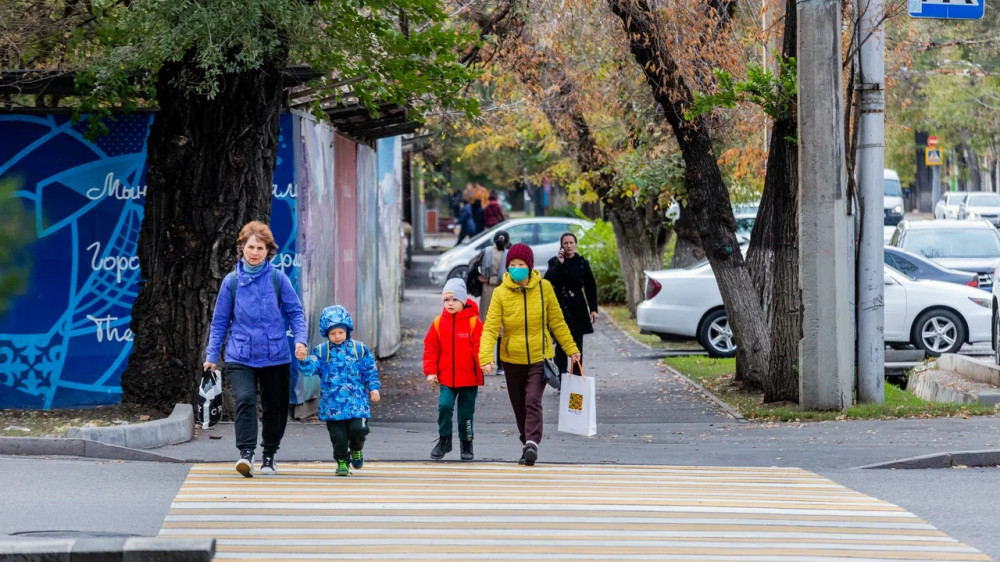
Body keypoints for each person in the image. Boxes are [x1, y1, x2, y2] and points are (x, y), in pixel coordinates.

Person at [204, 220, 308, 478]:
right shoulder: (231, 282)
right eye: (251, 247)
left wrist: (300, 340)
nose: (255, 252)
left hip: (275, 355)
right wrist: (211, 357)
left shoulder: (277, 278)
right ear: (242, 247)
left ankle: (270, 454)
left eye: (260, 248)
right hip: (240, 354)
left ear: (268, 251)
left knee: (275, 406)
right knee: (246, 399)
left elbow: (295, 313)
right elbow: (219, 322)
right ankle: (246, 454)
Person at [479, 243, 580, 466]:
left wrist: (571, 349)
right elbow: (491, 327)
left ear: (530, 266)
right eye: (512, 265)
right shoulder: (500, 293)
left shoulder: (545, 289)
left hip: (539, 357)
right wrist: (485, 357)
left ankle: (532, 443)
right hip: (511, 359)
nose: (517, 268)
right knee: (519, 405)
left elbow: (557, 322)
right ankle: (527, 443)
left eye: (521, 265)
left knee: (533, 400)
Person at [298, 305, 381, 477]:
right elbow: (310, 369)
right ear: (326, 334)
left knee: (358, 430)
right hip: (332, 405)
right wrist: (303, 359)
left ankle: (357, 448)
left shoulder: (359, 349)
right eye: (333, 333)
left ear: (347, 331)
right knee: (338, 437)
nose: (337, 337)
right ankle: (342, 461)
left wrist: (373, 389)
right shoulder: (322, 351)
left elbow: (370, 370)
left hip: (356, 404)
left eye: (340, 333)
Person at [423, 279, 484, 461]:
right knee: (444, 406)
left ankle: (467, 443)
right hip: (447, 378)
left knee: (466, 414)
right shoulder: (438, 322)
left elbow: (482, 347)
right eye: (446, 300)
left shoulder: (474, 322)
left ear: (463, 301)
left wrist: (486, 363)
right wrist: (431, 371)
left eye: (454, 300)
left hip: (469, 379)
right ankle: (444, 440)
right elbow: (431, 348)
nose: (450, 304)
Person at [544, 232, 599, 374]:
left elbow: (590, 287)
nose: (568, 246)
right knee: (561, 344)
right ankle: (561, 379)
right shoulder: (554, 262)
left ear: (575, 244)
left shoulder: (582, 263)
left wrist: (593, 309)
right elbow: (547, 281)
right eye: (565, 243)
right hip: (560, 305)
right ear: (561, 245)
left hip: (578, 306)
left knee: (577, 345)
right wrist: (559, 264)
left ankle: (576, 378)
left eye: (571, 243)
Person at [478, 230, 510, 375]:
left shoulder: (487, 251)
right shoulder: (508, 253)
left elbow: (472, 264)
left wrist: (481, 277)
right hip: (499, 289)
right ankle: (497, 365)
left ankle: (489, 363)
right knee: (498, 329)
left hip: (491, 290)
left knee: (490, 327)